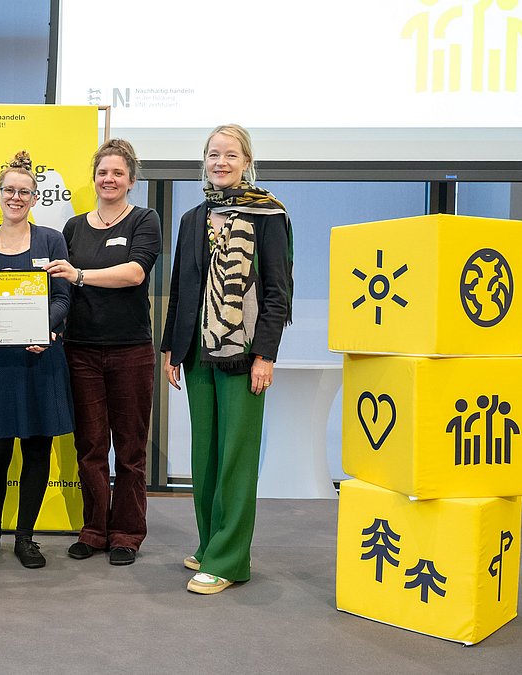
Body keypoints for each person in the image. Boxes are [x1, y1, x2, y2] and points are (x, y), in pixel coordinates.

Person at [160, 124, 293, 594]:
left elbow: (278, 292)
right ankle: (211, 542)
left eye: (230, 155)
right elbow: (181, 289)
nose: (221, 162)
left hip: (243, 354)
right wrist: (171, 349)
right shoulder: (194, 218)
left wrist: (266, 355)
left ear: (247, 161)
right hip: (196, 353)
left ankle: (230, 559)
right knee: (206, 454)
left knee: (236, 456)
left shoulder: (268, 214)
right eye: (213, 154)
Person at [44, 139, 161, 566]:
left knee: (130, 449)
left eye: (117, 172)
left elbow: (134, 273)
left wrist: (79, 274)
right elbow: (60, 289)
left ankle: (127, 533)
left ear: (131, 179)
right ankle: (94, 530)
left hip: (131, 350)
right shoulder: (73, 228)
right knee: (90, 446)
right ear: (94, 177)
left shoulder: (145, 220)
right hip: (81, 351)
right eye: (102, 172)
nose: (108, 179)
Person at [0, 151, 73, 569]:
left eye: (24, 192)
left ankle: (26, 537)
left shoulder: (51, 241)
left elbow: (63, 299)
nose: (16, 197)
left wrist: (45, 330)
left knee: (37, 451)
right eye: (9, 190)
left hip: (41, 359)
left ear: (34, 198)